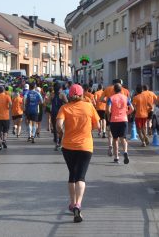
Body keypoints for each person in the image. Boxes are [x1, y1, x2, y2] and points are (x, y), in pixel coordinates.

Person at [56, 84, 99, 223]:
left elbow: (58, 124)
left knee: (72, 175)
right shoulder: (89, 106)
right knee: (81, 176)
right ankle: (78, 205)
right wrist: (87, 129)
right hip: (86, 146)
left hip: (68, 146)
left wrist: (62, 133)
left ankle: (72, 203)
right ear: (82, 94)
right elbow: (97, 125)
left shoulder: (65, 108)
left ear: (69, 95)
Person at [106, 83, 134, 164]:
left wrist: (109, 116)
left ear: (114, 90)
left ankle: (116, 157)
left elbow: (108, 110)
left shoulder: (111, 98)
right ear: (121, 89)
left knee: (115, 139)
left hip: (114, 120)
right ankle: (125, 152)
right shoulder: (126, 98)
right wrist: (126, 113)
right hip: (124, 120)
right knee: (123, 138)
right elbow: (132, 109)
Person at [51, 82, 67, 151]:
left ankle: (56, 142)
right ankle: (60, 142)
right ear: (60, 88)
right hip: (61, 113)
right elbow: (67, 102)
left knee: (55, 128)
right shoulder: (62, 95)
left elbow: (47, 102)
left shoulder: (52, 94)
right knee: (61, 128)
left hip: (53, 113)